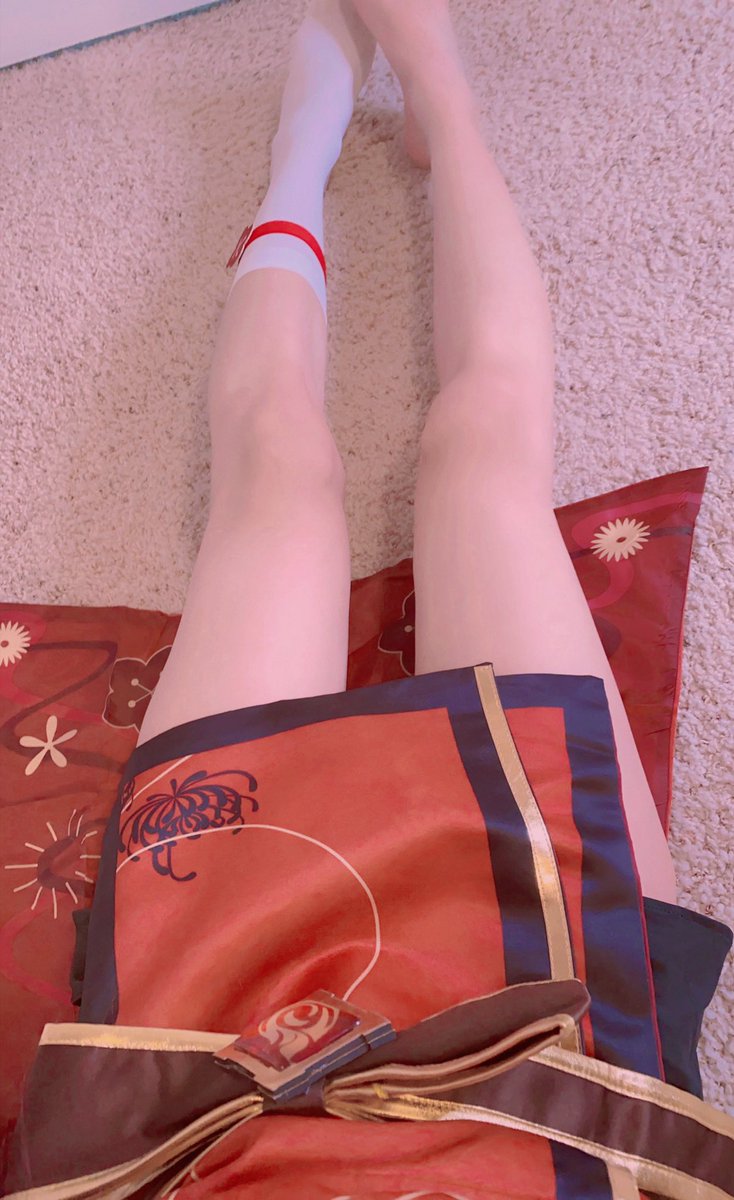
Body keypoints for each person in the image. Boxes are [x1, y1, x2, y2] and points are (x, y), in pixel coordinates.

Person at [6, 2, 733, 1197]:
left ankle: (303, 156)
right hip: (558, 1045)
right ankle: (437, 94)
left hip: (212, 1059)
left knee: (276, 479)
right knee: (478, 455)